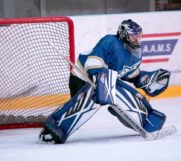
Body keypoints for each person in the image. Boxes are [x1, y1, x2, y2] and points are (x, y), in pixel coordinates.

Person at [39, 19, 170, 143]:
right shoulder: (110, 41)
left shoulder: (135, 51)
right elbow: (93, 62)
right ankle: (53, 129)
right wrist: (98, 80)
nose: (137, 38)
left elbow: (130, 74)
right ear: (124, 34)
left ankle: (147, 122)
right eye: (134, 35)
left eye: (139, 35)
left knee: (125, 100)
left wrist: (145, 80)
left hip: (105, 79)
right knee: (82, 104)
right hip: (82, 76)